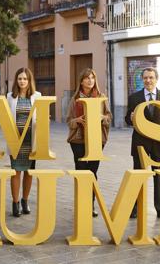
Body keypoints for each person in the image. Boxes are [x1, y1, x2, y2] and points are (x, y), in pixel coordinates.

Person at [125, 67, 160, 219]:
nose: (148, 80)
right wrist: (131, 117)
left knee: (159, 177)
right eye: (146, 78)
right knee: (138, 176)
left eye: (151, 77)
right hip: (140, 144)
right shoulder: (134, 98)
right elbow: (127, 120)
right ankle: (135, 209)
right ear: (142, 79)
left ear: (156, 79)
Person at [66, 68, 112, 217]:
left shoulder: (101, 97)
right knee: (81, 171)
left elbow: (109, 118)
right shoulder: (75, 100)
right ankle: (81, 204)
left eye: (92, 77)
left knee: (92, 172)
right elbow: (68, 121)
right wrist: (77, 120)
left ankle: (90, 205)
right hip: (78, 139)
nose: (90, 80)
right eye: (87, 78)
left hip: (96, 140)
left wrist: (101, 117)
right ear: (81, 81)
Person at [6, 68, 41, 217]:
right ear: (16, 80)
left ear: (29, 81)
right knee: (16, 171)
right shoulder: (10, 97)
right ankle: (15, 203)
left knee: (29, 172)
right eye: (20, 78)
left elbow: (40, 116)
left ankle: (25, 200)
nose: (22, 81)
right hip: (16, 140)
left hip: (31, 140)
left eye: (25, 79)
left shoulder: (37, 96)